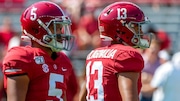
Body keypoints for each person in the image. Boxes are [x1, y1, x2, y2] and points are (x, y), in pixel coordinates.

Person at [79, 1, 153, 101]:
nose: (141, 32)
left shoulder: (93, 54)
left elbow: (82, 97)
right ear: (121, 29)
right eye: (136, 26)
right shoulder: (127, 55)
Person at [2, 1, 75, 101]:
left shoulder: (63, 60)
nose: (61, 33)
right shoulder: (23, 58)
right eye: (56, 28)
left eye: (61, 28)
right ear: (37, 30)